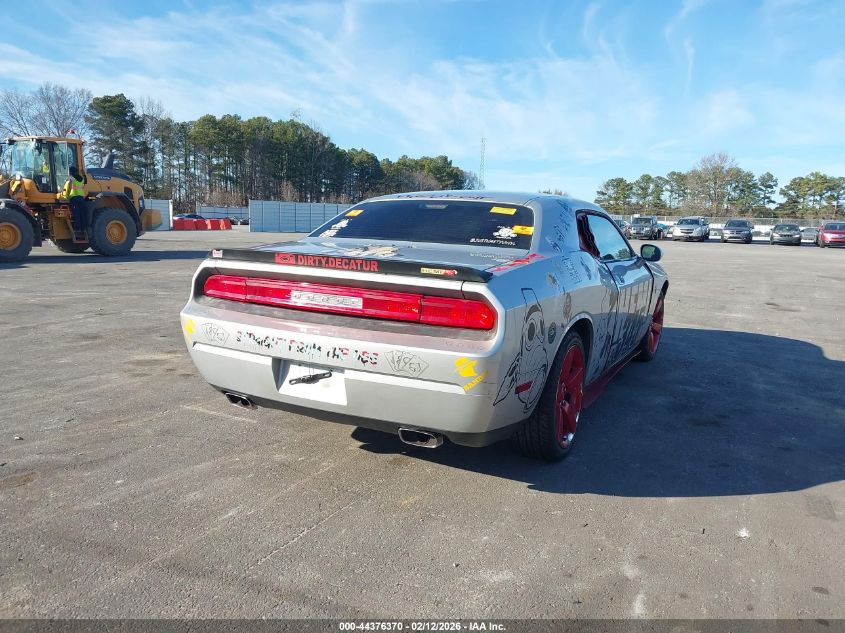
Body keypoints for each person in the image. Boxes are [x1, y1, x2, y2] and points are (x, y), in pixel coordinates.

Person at [61, 166, 87, 240]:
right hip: (81, 197)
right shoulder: (81, 178)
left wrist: (66, 197)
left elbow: (68, 187)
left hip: (74, 197)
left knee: (76, 214)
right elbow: (85, 181)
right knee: (82, 214)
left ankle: (78, 229)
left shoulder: (71, 178)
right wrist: (84, 174)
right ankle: (83, 228)